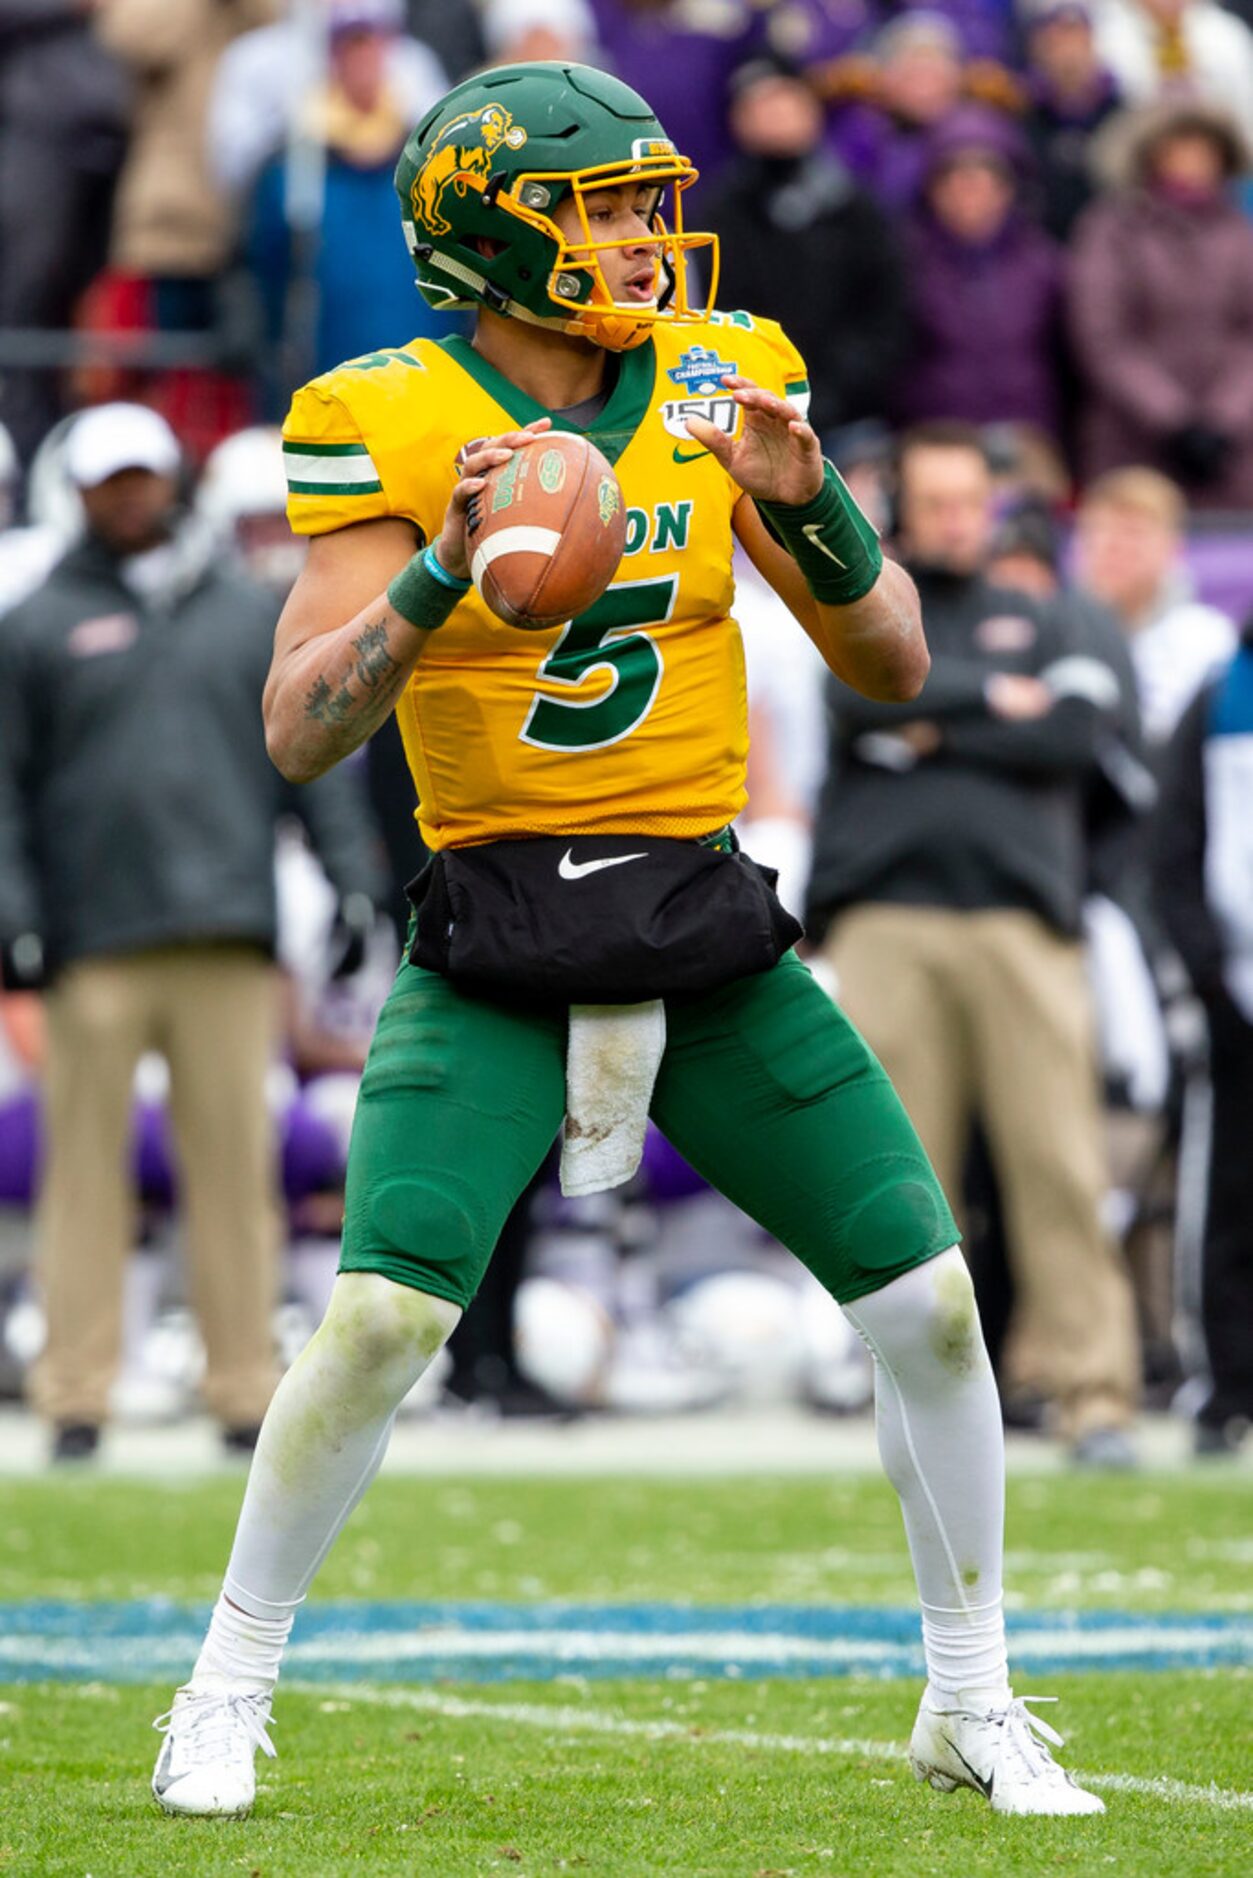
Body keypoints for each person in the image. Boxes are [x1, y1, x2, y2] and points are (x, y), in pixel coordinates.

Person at [147, 60, 1103, 1822]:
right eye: (600, 203)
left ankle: (969, 1694)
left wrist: (807, 504)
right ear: (498, 232)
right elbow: (296, 729)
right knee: (370, 1321)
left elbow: (892, 662)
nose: (642, 234)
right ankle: (223, 1684)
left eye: (648, 199)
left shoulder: (726, 376)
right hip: (496, 924)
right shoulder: (387, 411)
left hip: (699, 911)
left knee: (933, 1303)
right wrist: (440, 570)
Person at [0, 401, 385, 1461]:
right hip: (92, 944)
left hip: (226, 932)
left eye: (143, 476)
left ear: (173, 479)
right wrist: (19, 924)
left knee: (235, 1172)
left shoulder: (242, 615)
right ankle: (76, 1394)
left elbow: (312, 758)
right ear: (75, 492)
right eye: (108, 480)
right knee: (82, 1176)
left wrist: (355, 886)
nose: (130, 496)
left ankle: (243, 1391)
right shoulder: (32, 626)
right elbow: (5, 794)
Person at [808, 422, 1142, 1464]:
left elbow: (1073, 733)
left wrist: (927, 720)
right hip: (887, 922)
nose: (956, 521)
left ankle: (1094, 1394)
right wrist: (995, 701)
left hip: (1019, 922)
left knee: (1058, 1166)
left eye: (970, 502)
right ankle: (904, 1411)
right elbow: (846, 699)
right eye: (936, 502)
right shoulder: (865, 605)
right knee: (897, 1185)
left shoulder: (1043, 610)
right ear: (900, 507)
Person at [1152, 618, 1253, 1456]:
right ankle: (1226, 1386)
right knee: (1227, 1196)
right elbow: (1173, 851)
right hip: (1239, 1001)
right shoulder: (1219, 696)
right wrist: (1212, 979)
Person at [702, 54, 908, 438]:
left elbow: (886, 315)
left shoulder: (855, 207)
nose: (775, 114)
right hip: (751, 412)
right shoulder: (719, 213)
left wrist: (834, 389)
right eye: (758, 105)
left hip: (852, 416)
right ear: (737, 120)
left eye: (785, 100)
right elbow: (714, 317)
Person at [1068, 100, 1253, 507]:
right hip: (1132, 441)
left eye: (1204, 149)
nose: (1192, 161)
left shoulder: (1239, 233)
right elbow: (1103, 338)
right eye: (1178, 147)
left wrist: (1223, 422)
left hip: (1231, 452)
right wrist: (1175, 422)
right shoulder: (1111, 229)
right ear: (1151, 154)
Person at [896, 106, 1066, 436]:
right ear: (932, 190)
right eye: (953, 179)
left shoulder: (1044, 262)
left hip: (1029, 438)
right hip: (936, 440)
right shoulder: (904, 261)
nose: (968, 192)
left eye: (982, 180)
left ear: (1008, 189)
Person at [1072, 466, 1237, 749]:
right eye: (1100, 532)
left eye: (1133, 533)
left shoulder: (1207, 640)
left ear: (1174, 548)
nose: (1115, 547)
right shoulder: (1054, 631)